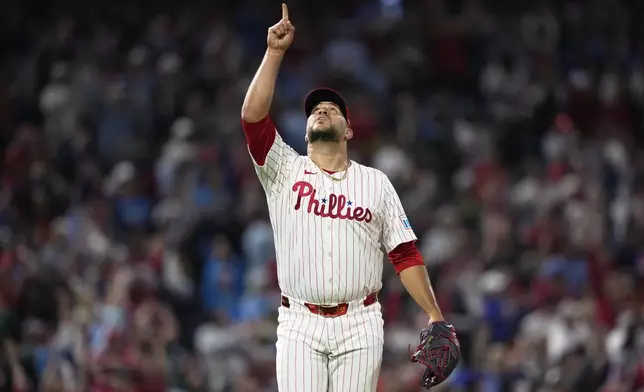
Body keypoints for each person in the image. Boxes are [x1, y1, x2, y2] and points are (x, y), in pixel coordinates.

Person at [240, 4, 455, 391]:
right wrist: (274, 53)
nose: (321, 111)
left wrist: (434, 314)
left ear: (349, 130)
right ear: (305, 132)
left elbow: (405, 254)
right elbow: (253, 118)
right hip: (299, 322)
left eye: (332, 109)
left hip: (360, 322)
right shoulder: (283, 168)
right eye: (315, 111)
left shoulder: (375, 182)